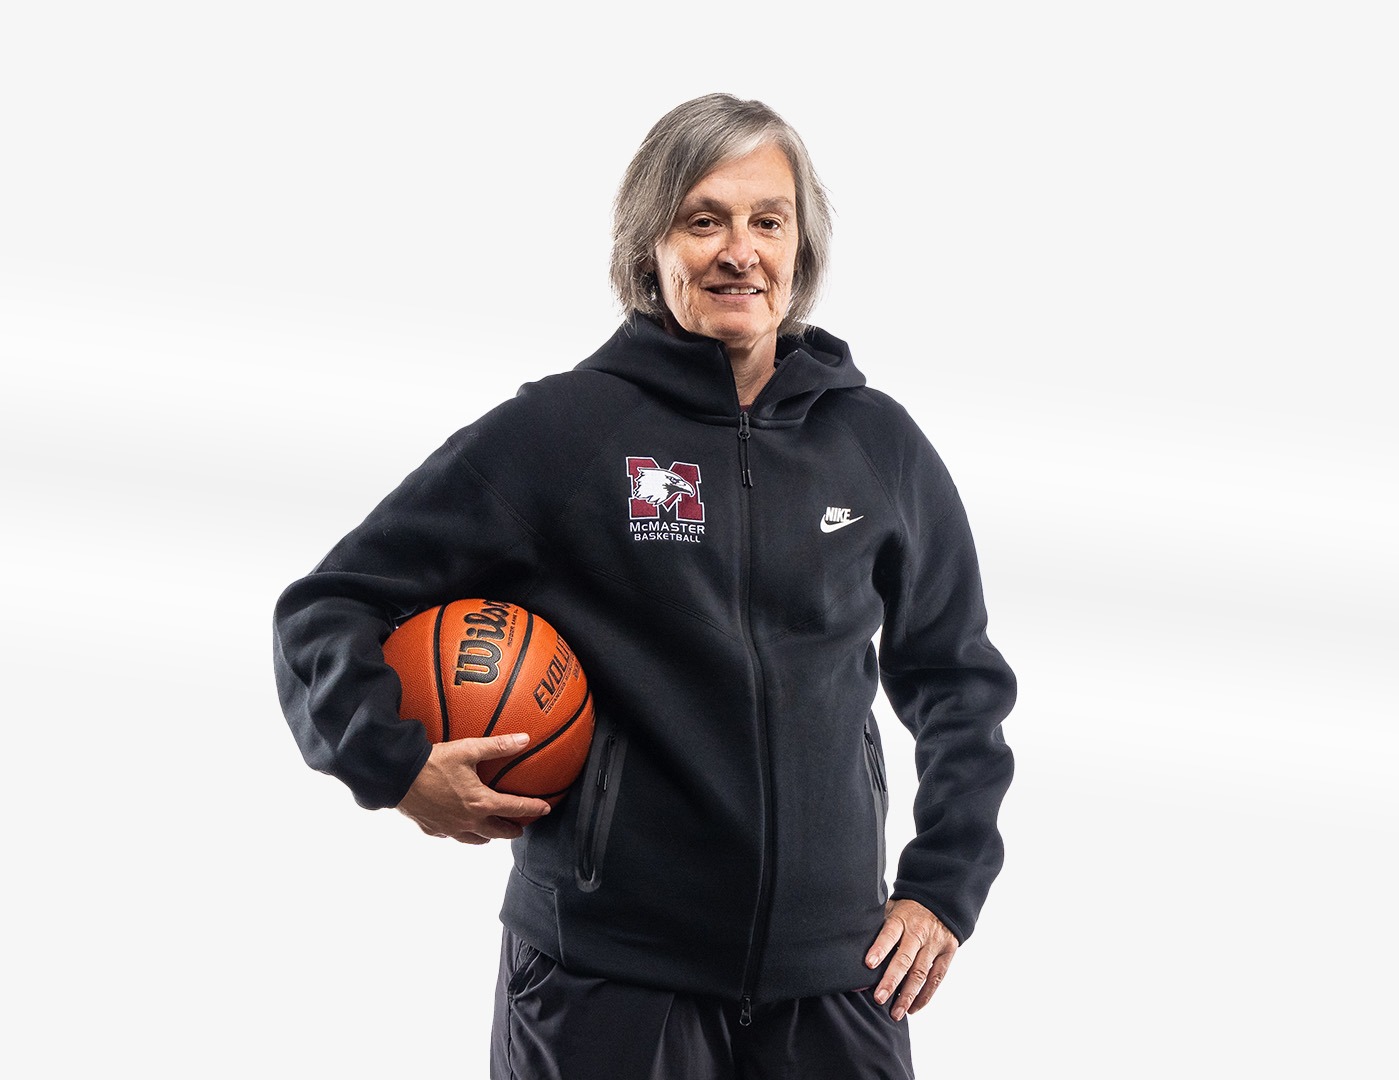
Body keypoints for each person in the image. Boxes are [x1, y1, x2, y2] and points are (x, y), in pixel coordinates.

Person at [271, 92, 1016, 1079]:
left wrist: (943, 884)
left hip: (838, 977)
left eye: (766, 221)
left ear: (801, 249)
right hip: (608, 979)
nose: (737, 250)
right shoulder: (566, 434)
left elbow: (958, 679)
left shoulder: (876, 445)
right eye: (703, 219)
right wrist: (396, 765)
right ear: (649, 246)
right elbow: (331, 605)